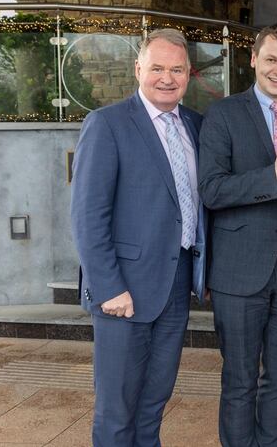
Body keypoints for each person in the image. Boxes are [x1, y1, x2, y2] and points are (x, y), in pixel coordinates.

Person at [71, 28, 207, 446]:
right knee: (116, 410)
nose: (167, 78)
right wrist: (108, 286)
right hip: (122, 292)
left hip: (176, 283)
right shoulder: (107, 124)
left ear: (189, 74)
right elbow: (87, 215)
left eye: (177, 69)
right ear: (138, 70)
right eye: (157, 68)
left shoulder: (197, 125)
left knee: (152, 405)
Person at [198, 23, 277, 447]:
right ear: (253, 59)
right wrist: (272, 173)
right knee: (239, 381)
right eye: (271, 59)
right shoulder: (223, 114)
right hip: (239, 273)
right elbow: (212, 189)